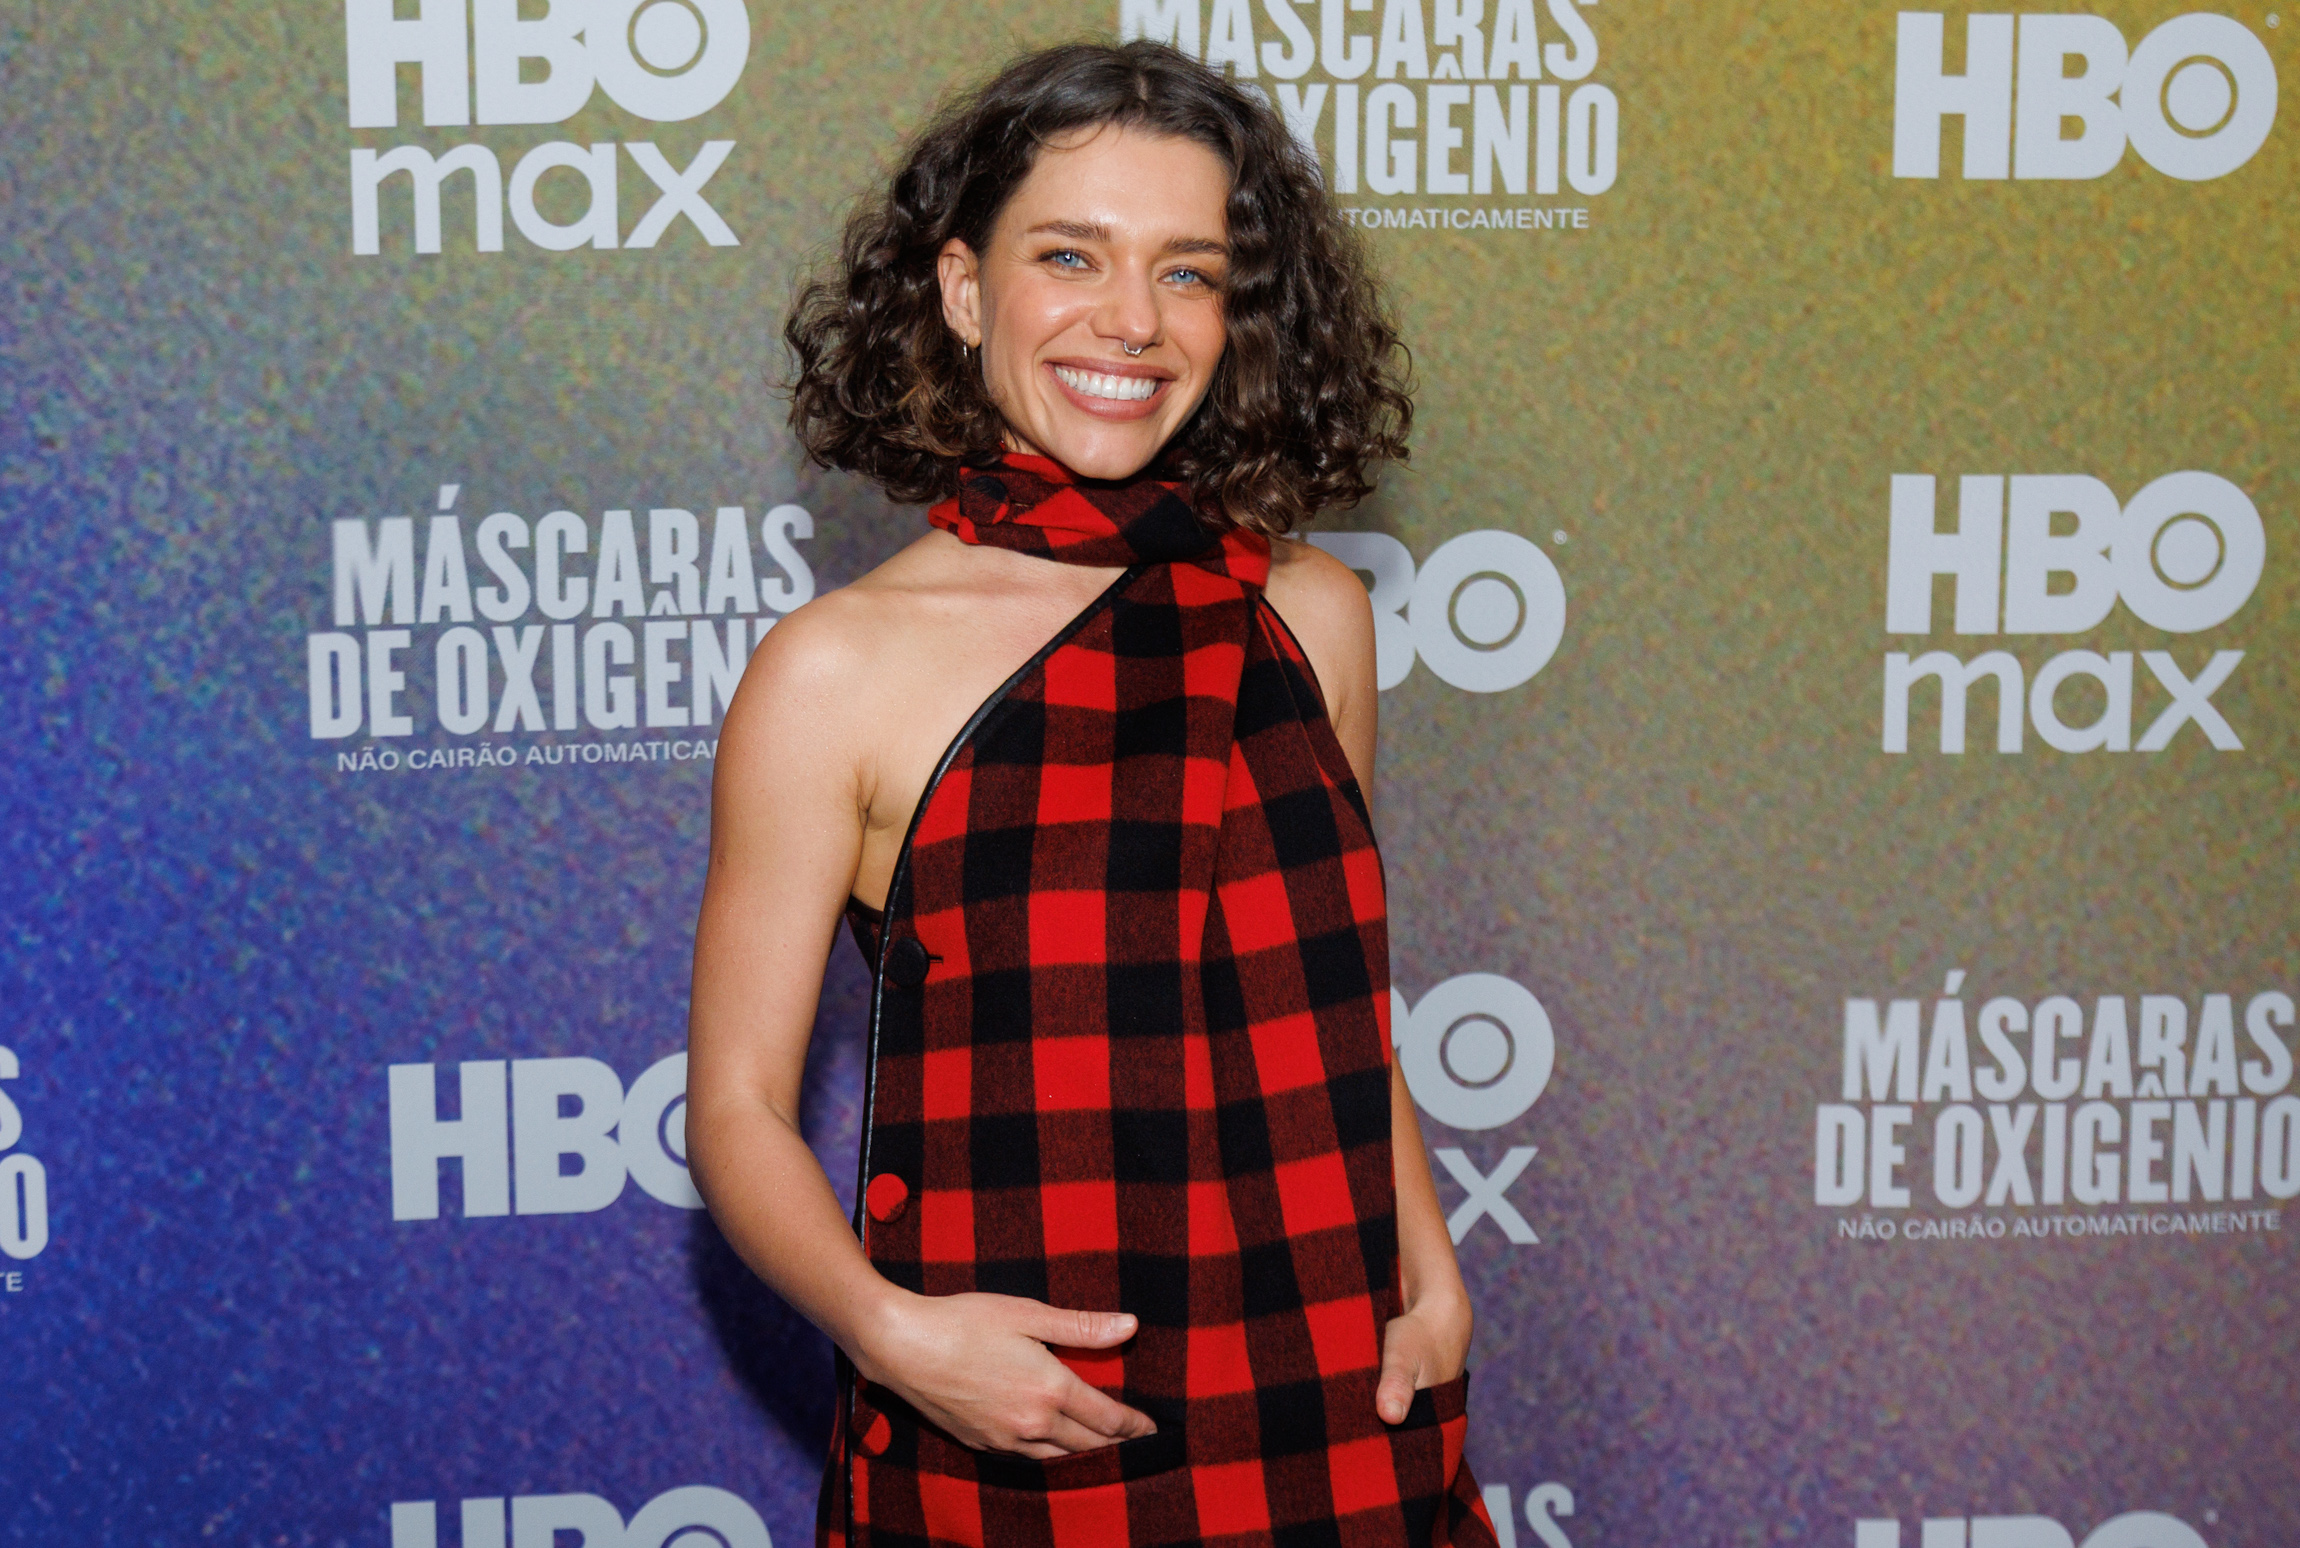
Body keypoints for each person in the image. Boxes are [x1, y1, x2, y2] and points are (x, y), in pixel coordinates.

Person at [686, 40, 1499, 1548]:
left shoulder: (1313, 616)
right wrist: (892, 1334)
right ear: (962, 288)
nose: (1134, 320)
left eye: (1190, 273)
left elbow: (1334, 1002)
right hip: (1021, 1423)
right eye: (1070, 256)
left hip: (1333, 1397)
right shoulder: (837, 669)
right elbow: (735, 1108)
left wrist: (1434, 1274)